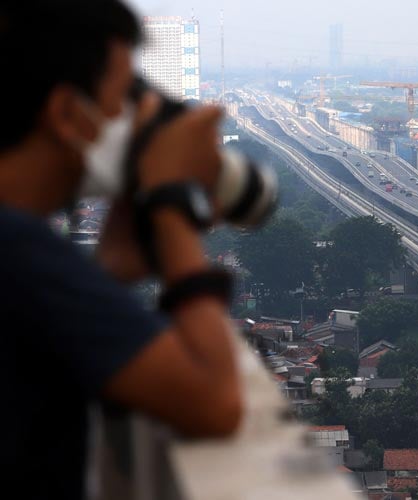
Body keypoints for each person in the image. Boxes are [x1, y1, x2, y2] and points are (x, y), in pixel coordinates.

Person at [0, 1, 243, 498]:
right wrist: (171, 205)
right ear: (67, 113)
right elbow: (214, 403)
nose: (129, 123)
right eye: (122, 100)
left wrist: (108, 274)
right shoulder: (20, 251)